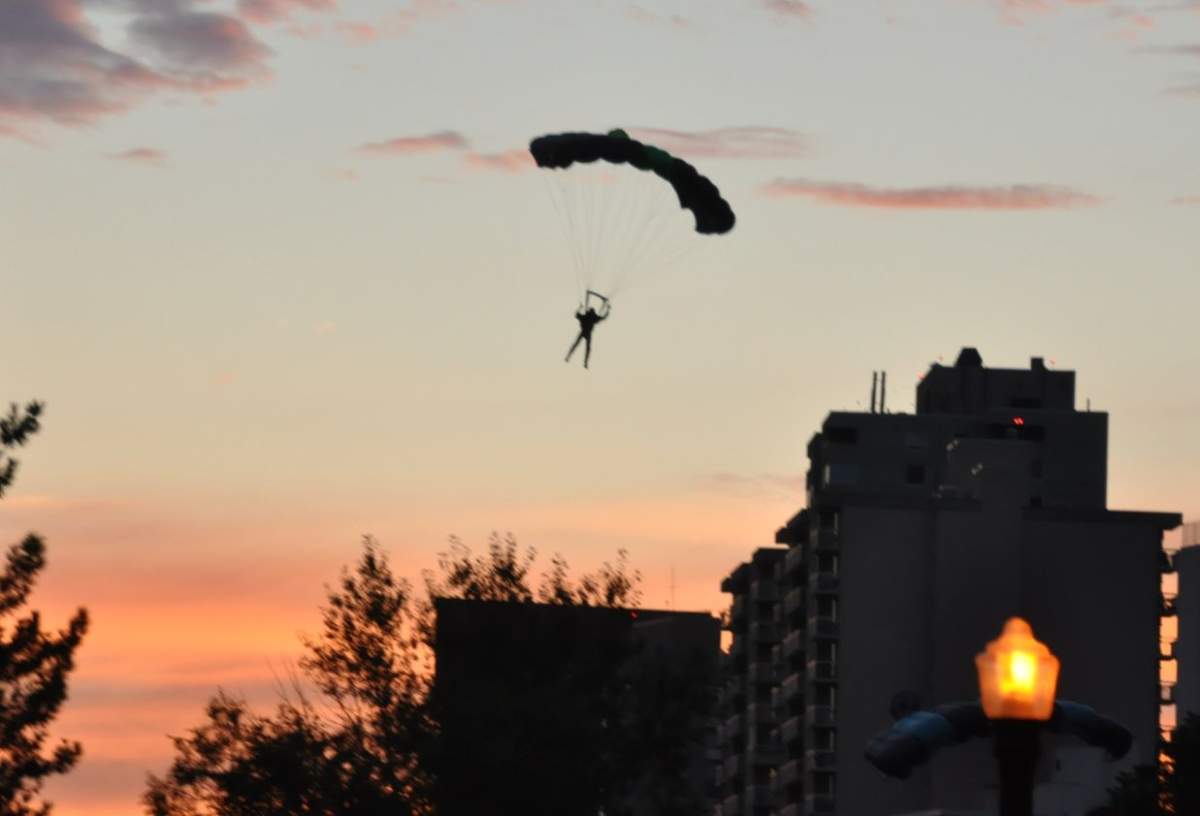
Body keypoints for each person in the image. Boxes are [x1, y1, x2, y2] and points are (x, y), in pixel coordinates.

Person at [564, 299, 610, 369]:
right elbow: (604, 317)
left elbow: (576, 314)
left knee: (581, 346)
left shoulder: (588, 317)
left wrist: (580, 307)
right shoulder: (592, 318)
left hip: (585, 333)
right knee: (583, 347)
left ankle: (573, 358)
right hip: (586, 333)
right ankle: (575, 359)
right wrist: (608, 309)